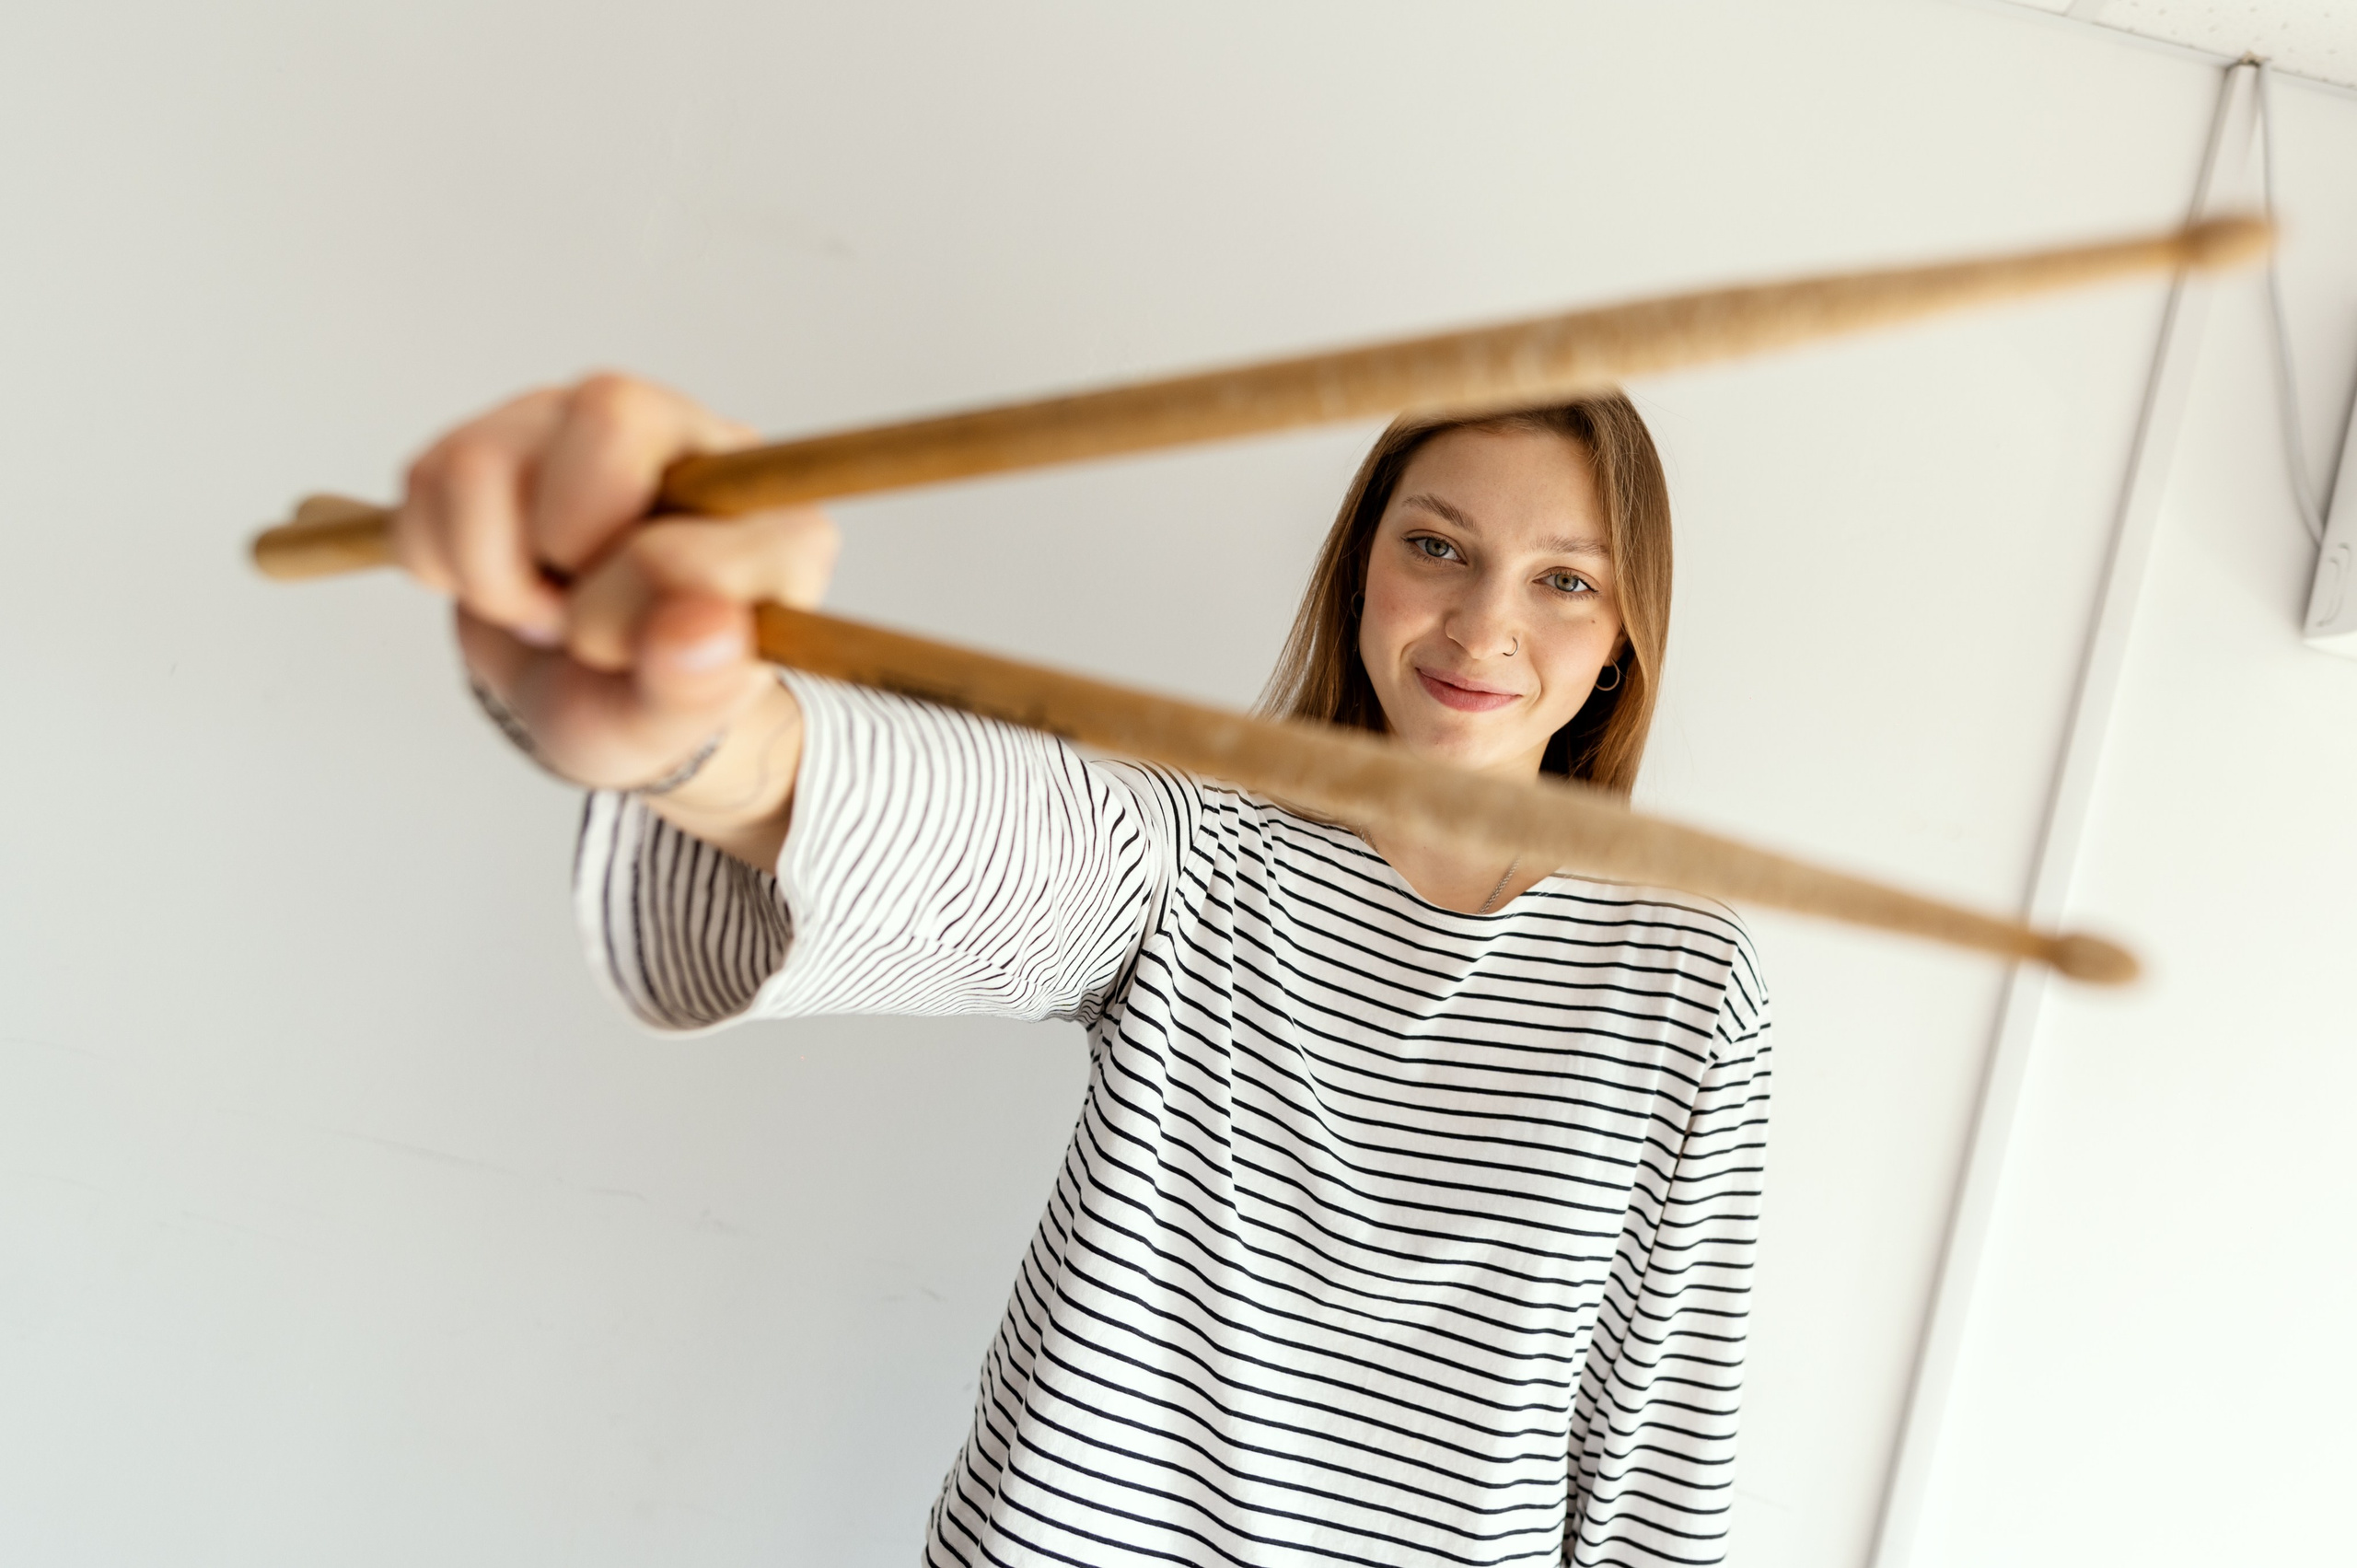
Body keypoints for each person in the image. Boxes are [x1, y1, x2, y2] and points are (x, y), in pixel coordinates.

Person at [392, 373, 1771, 1567]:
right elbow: (993, 843)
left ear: (1623, 636)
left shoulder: (1686, 981)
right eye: (1437, 545)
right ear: (1363, 566)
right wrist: (701, 734)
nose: (1482, 626)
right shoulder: (1197, 854)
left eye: (1565, 579)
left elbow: (1658, 1454)